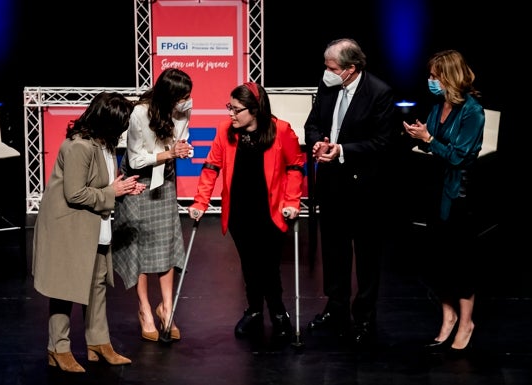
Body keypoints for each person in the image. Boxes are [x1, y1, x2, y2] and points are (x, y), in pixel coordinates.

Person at [32, 91, 146, 372]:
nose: (123, 130)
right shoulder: (78, 147)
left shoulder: (102, 144)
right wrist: (112, 191)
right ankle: (57, 348)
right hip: (68, 227)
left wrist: (121, 188)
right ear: (107, 121)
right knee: (65, 288)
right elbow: (75, 193)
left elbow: (99, 186)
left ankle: (98, 342)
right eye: (121, 123)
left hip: (93, 224)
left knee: (96, 284)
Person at [188, 82, 305, 343]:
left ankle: (277, 312)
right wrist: (200, 202)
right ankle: (253, 310)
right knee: (249, 265)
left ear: (254, 110)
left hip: (271, 211)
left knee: (269, 266)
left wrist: (292, 201)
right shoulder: (225, 131)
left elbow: (296, 166)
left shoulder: (280, 130)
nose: (230, 114)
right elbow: (210, 167)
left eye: (236, 109)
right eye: (229, 107)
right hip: (239, 211)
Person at [304, 38, 396, 348]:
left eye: (331, 68)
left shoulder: (379, 93)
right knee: (333, 250)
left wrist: (342, 150)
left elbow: (383, 143)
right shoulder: (328, 85)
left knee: (366, 256)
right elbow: (313, 123)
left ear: (350, 69)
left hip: (364, 188)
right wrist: (318, 142)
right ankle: (337, 307)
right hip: (331, 185)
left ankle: (366, 316)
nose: (326, 72)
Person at [403, 49, 484, 354]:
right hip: (434, 193)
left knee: (461, 265)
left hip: (459, 196)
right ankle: (447, 316)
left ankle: (466, 323)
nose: (430, 81)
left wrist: (428, 140)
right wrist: (420, 135)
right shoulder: (440, 106)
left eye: (435, 76)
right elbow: (435, 144)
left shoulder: (473, 111)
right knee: (437, 262)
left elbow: (458, 157)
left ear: (450, 76)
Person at [112, 68, 194, 343]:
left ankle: (167, 309)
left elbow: (181, 140)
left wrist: (183, 148)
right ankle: (145, 309)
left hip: (165, 180)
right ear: (169, 96)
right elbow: (135, 160)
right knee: (140, 247)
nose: (186, 101)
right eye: (182, 97)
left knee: (166, 243)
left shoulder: (182, 111)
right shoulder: (139, 113)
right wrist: (170, 152)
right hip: (139, 181)